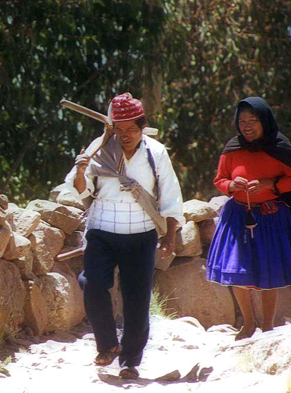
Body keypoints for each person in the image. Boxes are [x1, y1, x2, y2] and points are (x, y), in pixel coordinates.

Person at [65, 92, 183, 379]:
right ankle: (107, 345)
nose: (125, 135)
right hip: (102, 230)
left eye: (131, 129)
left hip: (140, 234)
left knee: (137, 299)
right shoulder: (100, 148)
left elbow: (169, 196)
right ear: (111, 128)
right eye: (119, 129)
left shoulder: (155, 153)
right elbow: (80, 189)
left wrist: (168, 236)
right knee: (91, 283)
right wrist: (81, 170)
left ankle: (129, 361)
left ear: (142, 127)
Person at [206, 96, 291, 340]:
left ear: (265, 121)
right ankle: (248, 323)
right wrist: (231, 184)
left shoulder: (279, 148)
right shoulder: (232, 149)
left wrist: (271, 184)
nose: (247, 126)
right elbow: (219, 179)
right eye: (242, 121)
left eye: (253, 120)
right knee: (237, 270)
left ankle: (268, 326)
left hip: (271, 217)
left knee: (269, 271)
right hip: (238, 215)